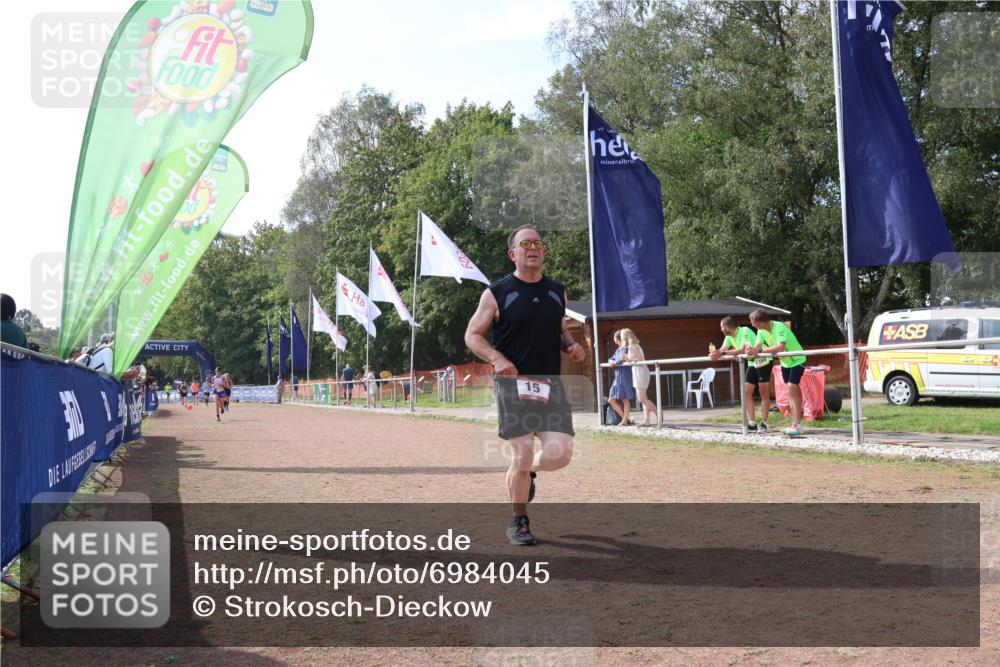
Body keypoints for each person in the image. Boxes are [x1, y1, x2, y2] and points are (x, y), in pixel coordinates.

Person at [465, 224, 586, 546]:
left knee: (560, 455)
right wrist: (497, 359)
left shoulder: (556, 291)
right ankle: (519, 521)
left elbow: (557, 327)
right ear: (513, 254)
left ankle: (528, 472)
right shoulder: (497, 293)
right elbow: (472, 335)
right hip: (513, 384)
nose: (533, 248)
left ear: (543, 252)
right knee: (521, 454)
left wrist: (570, 344)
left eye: (538, 243)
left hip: (550, 384)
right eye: (526, 244)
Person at [747, 308, 807, 436]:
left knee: (791, 387)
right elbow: (758, 345)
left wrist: (760, 351)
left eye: (753, 322)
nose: (752, 325)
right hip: (785, 362)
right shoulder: (761, 331)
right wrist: (753, 350)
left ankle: (798, 423)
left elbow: (780, 347)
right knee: (789, 391)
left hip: (797, 359)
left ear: (761, 321)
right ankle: (795, 423)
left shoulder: (779, 327)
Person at [711, 315, 771, 433]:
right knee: (746, 392)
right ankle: (752, 423)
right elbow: (723, 348)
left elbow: (743, 350)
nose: (721, 330)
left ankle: (764, 423)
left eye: (721, 327)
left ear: (727, 327)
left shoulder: (744, 331)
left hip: (763, 361)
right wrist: (717, 353)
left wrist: (721, 353)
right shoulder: (729, 336)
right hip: (752, 363)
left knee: (763, 392)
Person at [620, 328, 657, 426]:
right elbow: (637, 358)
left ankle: (658, 414)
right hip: (640, 371)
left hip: (640, 372)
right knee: (644, 397)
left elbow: (639, 358)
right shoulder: (635, 345)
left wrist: (627, 358)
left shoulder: (632, 346)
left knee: (641, 399)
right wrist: (628, 358)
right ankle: (647, 420)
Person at [607, 330, 636, 426]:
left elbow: (621, 359)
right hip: (618, 376)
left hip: (624, 376)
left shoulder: (626, 348)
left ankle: (624, 421)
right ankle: (625, 419)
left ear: (617, 338)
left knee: (625, 399)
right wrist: (611, 361)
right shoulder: (618, 349)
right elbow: (613, 358)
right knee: (611, 400)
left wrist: (615, 362)